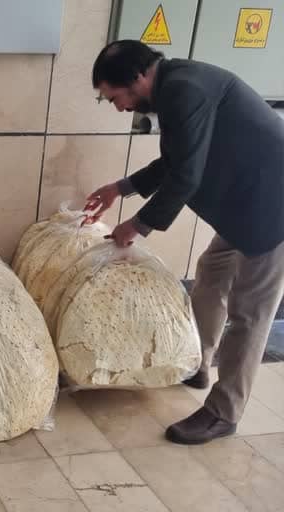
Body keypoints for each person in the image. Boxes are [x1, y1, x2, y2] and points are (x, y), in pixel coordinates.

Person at [86, 40, 284, 445]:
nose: (120, 108)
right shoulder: (175, 86)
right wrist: (119, 188)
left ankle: (223, 413)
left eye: (118, 97)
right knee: (210, 275)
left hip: (274, 207)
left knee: (250, 312)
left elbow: (186, 175)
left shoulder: (185, 89)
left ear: (139, 77)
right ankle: (199, 361)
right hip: (243, 204)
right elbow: (175, 160)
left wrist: (139, 225)